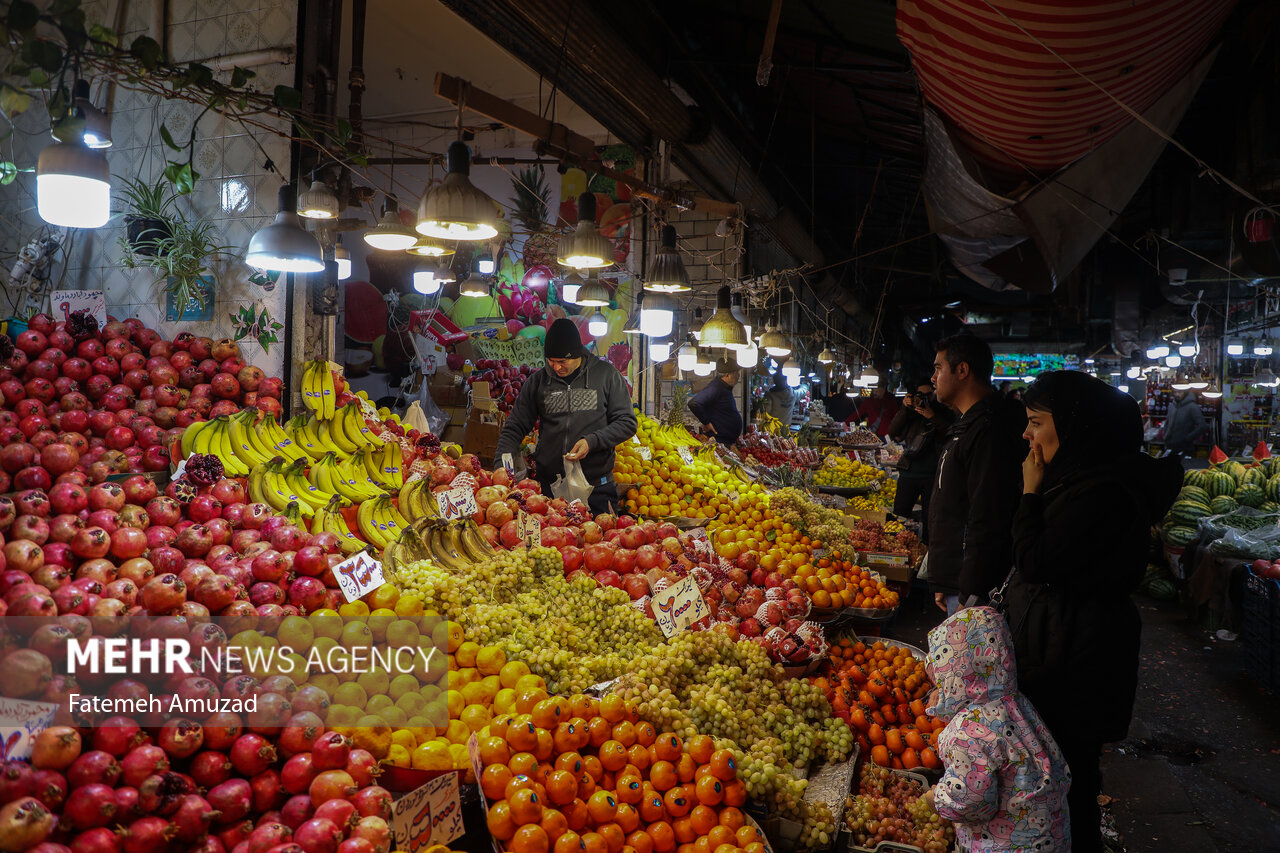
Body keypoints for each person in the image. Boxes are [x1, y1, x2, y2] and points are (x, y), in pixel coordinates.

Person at [1007, 371, 1181, 853]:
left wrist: (1028, 493)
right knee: (1062, 769)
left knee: (1068, 775)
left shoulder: (1101, 494)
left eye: (1036, 423)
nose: (1027, 435)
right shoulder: (1086, 479)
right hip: (1069, 643)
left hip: (1078, 656)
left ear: (1077, 427)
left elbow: (1035, 560)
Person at [922, 606, 1072, 852]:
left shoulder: (967, 730)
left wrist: (938, 798)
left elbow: (973, 801)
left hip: (1006, 844)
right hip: (1049, 835)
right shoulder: (1015, 703)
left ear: (955, 672)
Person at [493, 318, 637, 514]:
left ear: (578, 354)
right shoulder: (538, 382)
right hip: (548, 490)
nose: (556, 368)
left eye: (562, 361)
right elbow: (514, 427)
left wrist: (592, 441)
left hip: (597, 488)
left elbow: (627, 422)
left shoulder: (607, 376)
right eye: (551, 361)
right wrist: (501, 468)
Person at [928, 334, 1026, 614]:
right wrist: (941, 577)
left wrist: (971, 589)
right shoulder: (967, 425)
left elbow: (987, 517)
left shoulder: (989, 431)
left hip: (973, 589)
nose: (933, 378)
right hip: (956, 580)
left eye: (938, 368)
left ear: (962, 370)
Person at [886, 379, 953, 542]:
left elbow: (950, 433)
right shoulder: (911, 413)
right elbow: (893, 431)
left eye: (928, 395)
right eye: (920, 395)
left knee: (930, 518)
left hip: (933, 474)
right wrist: (905, 409)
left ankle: (926, 553)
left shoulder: (943, 412)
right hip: (909, 472)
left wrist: (932, 416)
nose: (924, 399)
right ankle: (896, 545)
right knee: (900, 514)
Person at [689, 359, 743, 446]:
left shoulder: (724, 388)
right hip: (718, 441)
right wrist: (706, 423)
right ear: (728, 375)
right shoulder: (716, 388)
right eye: (737, 373)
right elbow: (694, 403)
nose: (738, 376)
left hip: (725, 441)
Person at [1163, 388, 1206, 459]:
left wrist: (1188, 438)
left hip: (1186, 447)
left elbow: (1202, 426)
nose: (1177, 394)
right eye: (1175, 392)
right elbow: (1167, 422)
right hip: (1170, 445)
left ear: (1185, 393)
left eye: (1180, 392)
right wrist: (1165, 435)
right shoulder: (1172, 406)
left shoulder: (1192, 407)